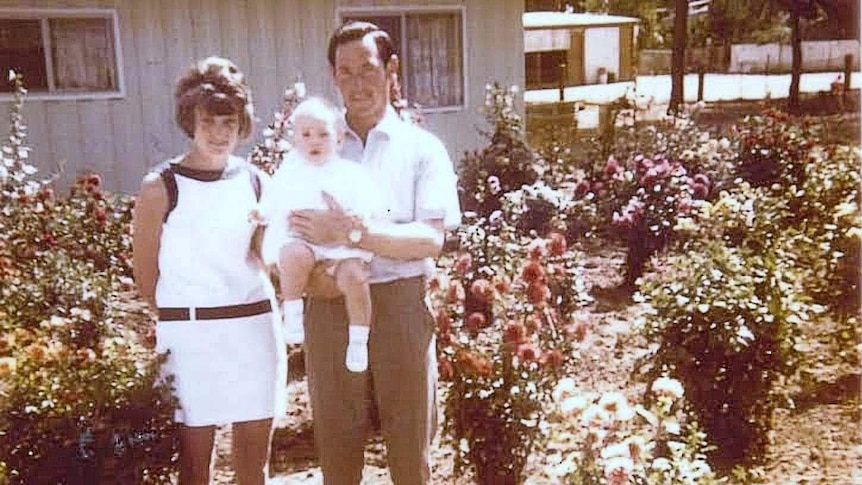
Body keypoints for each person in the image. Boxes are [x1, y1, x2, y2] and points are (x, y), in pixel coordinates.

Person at [286, 21, 461, 484]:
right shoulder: (313, 146)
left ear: (392, 70)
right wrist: (317, 276)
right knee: (337, 449)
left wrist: (355, 234)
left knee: (409, 449)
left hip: (400, 301)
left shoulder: (422, 149)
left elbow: (430, 239)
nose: (357, 83)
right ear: (333, 77)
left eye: (367, 69)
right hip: (328, 304)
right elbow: (288, 232)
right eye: (345, 73)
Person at [132, 56, 284, 485]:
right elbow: (146, 276)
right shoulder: (161, 187)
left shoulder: (257, 181)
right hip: (191, 337)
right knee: (195, 462)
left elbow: (267, 255)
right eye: (208, 122)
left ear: (242, 124)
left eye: (229, 123)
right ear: (190, 121)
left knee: (254, 460)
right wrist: (182, 318)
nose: (219, 134)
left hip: (254, 330)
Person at [257, 96, 380, 373]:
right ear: (295, 140)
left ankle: (359, 338)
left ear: (339, 139)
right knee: (291, 255)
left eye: (324, 134)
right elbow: (272, 200)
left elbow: (370, 201)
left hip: (343, 247)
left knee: (356, 279)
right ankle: (293, 311)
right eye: (306, 135)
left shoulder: (351, 173)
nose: (315, 141)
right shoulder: (289, 173)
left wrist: (361, 214)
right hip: (304, 241)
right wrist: (261, 213)